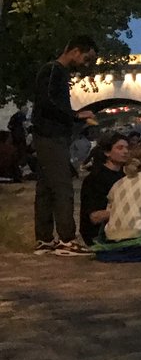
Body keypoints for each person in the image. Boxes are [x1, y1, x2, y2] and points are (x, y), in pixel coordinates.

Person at [31, 35, 98, 255]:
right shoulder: (55, 71)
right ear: (76, 51)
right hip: (51, 136)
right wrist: (75, 116)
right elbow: (48, 101)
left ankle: (44, 239)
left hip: (45, 135)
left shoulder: (52, 71)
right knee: (62, 187)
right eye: (86, 59)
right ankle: (67, 239)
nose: (85, 65)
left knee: (46, 188)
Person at [78, 133, 129, 246]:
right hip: (98, 234)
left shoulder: (124, 176)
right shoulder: (95, 179)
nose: (125, 152)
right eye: (120, 148)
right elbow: (95, 217)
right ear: (107, 152)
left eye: (127, 148)